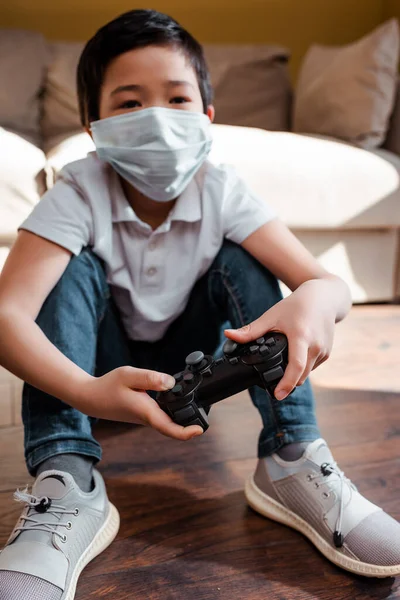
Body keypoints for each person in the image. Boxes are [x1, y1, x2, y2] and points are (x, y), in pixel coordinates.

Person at [0, 9, 399, 599]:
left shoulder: (222, 189)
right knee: (66, 267)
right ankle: (66, 476)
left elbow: (326, 283)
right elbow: (7, 315)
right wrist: (86, 392)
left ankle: (292, 453)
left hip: (200, 353)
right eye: (130, 103)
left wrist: (315, 300)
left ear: (208, 119)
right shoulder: (79, 189)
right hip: (94, 367)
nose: (157, 119)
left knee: (245, 256)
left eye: (177, 99)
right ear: (94, 128)